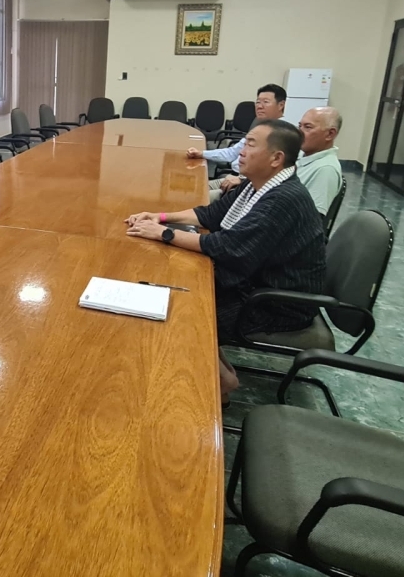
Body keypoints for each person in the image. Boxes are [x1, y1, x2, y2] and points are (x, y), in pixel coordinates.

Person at [127, 120, 325, 398]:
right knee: (177, 293)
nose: (241, 150)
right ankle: (220, 371)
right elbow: (211, 214)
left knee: (181, 316)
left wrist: (164, 234)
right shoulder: (258, 184)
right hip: (255, 283)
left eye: (252, 144)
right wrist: (158, 217)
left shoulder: (283, 198)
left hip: (277, 301)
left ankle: (220, 382)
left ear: (276, 158)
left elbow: (229, 248)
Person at [214, 106, 344, 215]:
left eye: (308, 127)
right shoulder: (302, 155)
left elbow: (311, 219)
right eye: (300, 126)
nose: (300, 132)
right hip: (252, 196)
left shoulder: (325, 170)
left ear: (330, 134)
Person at [187, 84, 286, 203]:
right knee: (190, 188)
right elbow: (232, 152)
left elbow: (276, 173)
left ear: (281, 105)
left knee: (195, 198)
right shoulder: (260, 127)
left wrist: (243, 180)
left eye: (266, 102)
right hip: (233, 177)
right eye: (258, 102)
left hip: (245, 185)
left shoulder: (283, 135)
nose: (260, 106)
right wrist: (201, 153)